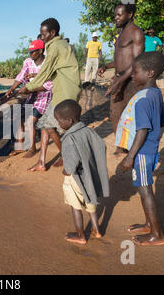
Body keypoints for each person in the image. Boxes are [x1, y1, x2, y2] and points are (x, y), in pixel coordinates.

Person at [115, 51, 164, 246]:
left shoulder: (144, 99)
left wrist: (130, 157)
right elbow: (160, 122)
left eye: (136, 72)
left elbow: (142, 130)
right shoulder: (155, 93)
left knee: (145, 190)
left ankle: (157, 234)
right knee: (144, 188)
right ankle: (149, 224)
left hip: (143, 152)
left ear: (150, 73)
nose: (133, 76)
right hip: (149, 149)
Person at [18, 17, 81, 171]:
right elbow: (52, 69)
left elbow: (46, 70)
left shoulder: (54, 47)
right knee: (46, 124)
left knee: (62, 128)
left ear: (53, 33)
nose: (42, 37)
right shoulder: (61, 45)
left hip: (65, 92)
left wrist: (29, 87)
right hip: (61, 91)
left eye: (44, 34)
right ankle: (42, 162)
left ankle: (70, 157)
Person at [54, 99, 109, 245]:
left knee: (75, 206)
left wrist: (66, 171)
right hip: (89, 176)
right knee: (91, 205)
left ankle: (80, 235)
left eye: (59, 121)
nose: (58, 124)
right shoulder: (89, 131)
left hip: (76, 178)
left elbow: (71, 165)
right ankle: (96, 230)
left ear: (69, 120)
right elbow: (101, 147)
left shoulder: (68, 138)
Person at [98, 3, 145, 153]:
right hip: (118, 78)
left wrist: (121, 79)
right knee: (115, 113)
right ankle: (121, 145)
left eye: (119, 15)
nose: (115, 18)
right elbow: (120, 59)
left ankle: (133, 147)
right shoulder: (121, 33)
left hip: (131, 81)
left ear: (129, 15)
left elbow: (137, 61)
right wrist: (106, 66)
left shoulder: (136, 32)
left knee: (131, 115)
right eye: (115, 15)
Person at [5, 39, 53, 158]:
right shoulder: (28, 62)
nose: (30, 54)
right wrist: (12, 88)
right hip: (31, 95)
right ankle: (21, 146)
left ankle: (32, 148)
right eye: (29, 52)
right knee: (18, 117)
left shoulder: (48, 63)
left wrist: (29, 89)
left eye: (33, 52)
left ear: (41, 51)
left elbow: (49, 85)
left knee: (30, 121)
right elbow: (21, 75)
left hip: (44, 96)